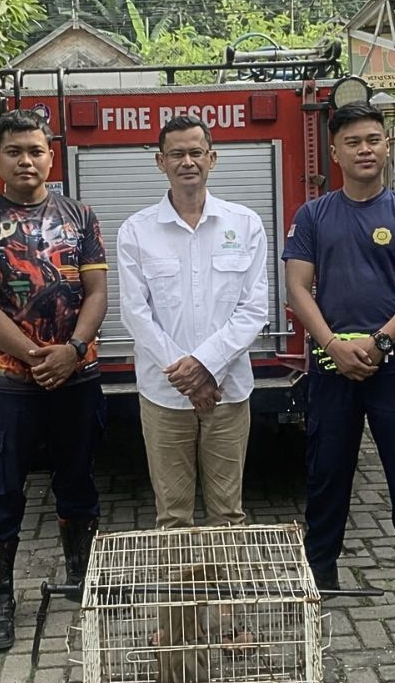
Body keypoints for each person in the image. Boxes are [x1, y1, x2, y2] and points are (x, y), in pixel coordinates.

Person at [282, 101, 395, 639]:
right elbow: (297, 288)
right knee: (326, 475)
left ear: (387, 145)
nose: (365, 149)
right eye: (354, 142)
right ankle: (319, 573)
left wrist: (379, 343)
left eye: (374, 139)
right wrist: (330, 343)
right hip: (331, 369)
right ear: (335, 152)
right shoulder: (312, 216)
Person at [0, 109, 108, 651]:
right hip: (6, 384)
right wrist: (36, 357)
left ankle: (85, 580)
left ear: (51, 156)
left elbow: (97, 294)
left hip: (76, 376)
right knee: (0, 492)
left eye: (36, 150)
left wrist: (69, 352)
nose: (27, 160)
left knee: (78, 482)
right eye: (14, 151)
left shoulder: (81, 217)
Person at [117, 116, 269, 529]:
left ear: (212, 159)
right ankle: (182, 590)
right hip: (164, 396)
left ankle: (223, 594)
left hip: (228, 393)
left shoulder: (246, 224)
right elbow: (135, 312)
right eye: (177, 154)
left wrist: (205, 366)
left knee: (228, 512)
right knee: (173, 515)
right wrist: (188, 376)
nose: (188, 161)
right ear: (159, 161)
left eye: (196, 152)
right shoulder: (136, 231)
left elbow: (254, 309)